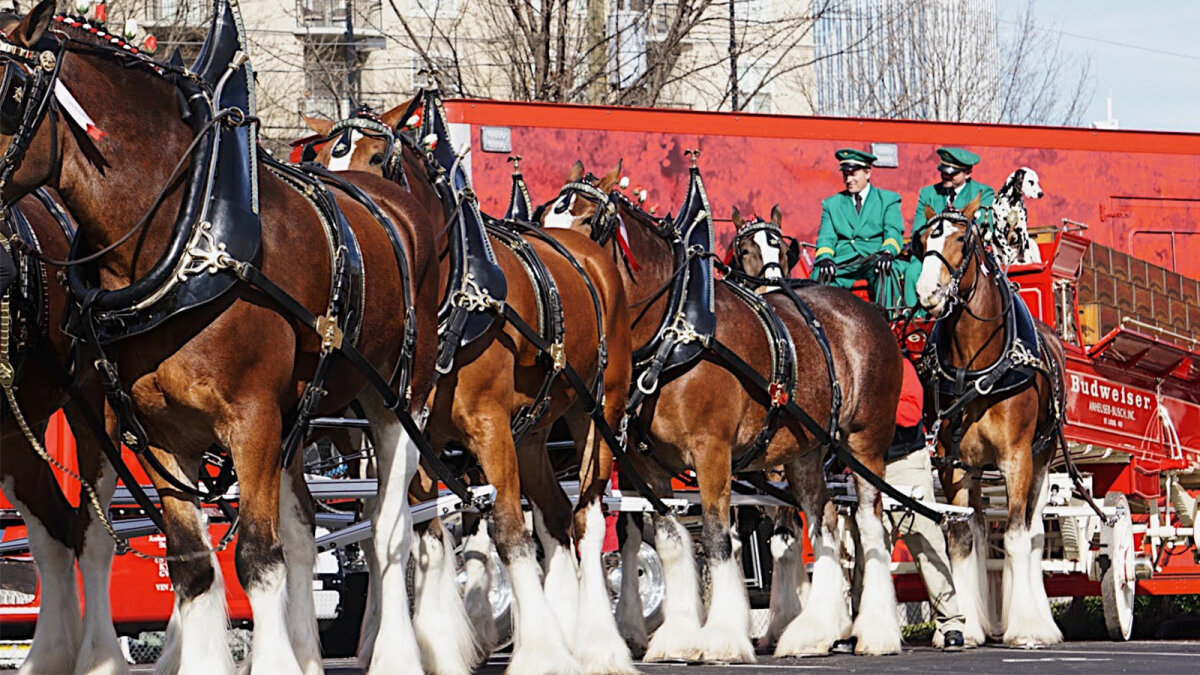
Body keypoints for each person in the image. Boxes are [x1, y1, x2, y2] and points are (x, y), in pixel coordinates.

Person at [884, 358, 966, 652]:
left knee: (927, 544)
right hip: (867, 466)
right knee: (867, 551)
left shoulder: (901, 367)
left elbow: (908, 414)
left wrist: (871, 407)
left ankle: (950, 622)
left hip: (906, 462)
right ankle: (865, 621)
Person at [901, 147, 995, 308]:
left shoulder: (982, 192)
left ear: (968, 173)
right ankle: (917, 324)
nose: (946, 176)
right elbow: (918, 230)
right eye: (943, 171)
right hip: (931, 252)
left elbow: (984, 228)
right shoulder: (928, 193)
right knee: (911, 272)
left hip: (963, 253)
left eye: (952, 173)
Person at [810, 148, 903, 305]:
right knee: (819, 274)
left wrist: (888, 252)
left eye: (853, 174)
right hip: (844, 261)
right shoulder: (832, 204)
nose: (848, 180)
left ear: (868, 173)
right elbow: (826, 237)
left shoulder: (888, 200)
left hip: (873, 258)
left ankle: (889, 322)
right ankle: (818, 325)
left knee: (887, 271)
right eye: (845, 175)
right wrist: (825, 258)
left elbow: (893, 231)